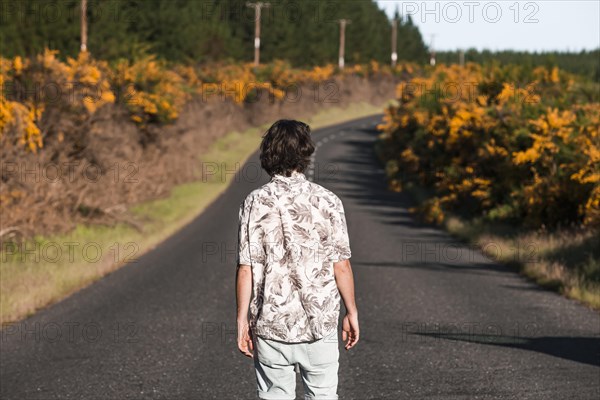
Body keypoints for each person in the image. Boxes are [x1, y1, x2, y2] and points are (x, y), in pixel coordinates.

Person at [236, 119, 359, 400]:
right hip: (320, 325)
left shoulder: (254, 202)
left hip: (270, 325)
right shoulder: (328, 201)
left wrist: (242, 320)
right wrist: (351, 312)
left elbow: (246, 267)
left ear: (268, 154)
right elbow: (341, 265)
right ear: (306, 153)